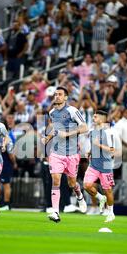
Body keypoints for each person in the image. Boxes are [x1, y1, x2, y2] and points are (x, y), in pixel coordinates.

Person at [41, 86, 88, 223]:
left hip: (72, 154)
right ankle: (55, 211)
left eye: (60, 94)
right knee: (56, 180)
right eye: (55, 94)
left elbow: (85, 127)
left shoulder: (73, 111)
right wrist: (47, 138)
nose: (57, 96)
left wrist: (67, 134)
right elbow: (55, 130)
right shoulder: (52, 113)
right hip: (56, 153)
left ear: (66, 97)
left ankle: (79, 195)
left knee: (72, 183)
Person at [83, 110, 116, 223]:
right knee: (87, 186)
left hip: (106, 165)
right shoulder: (92, 132)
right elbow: (93, 146)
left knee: (108, 190)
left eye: (95, 117)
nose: (93, 118)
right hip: (94, 164)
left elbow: (112, 150)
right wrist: (89, 151)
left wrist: (99, 145)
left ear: (102, 119)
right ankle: (100, 198)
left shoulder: (109, 132)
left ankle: (111, 213)